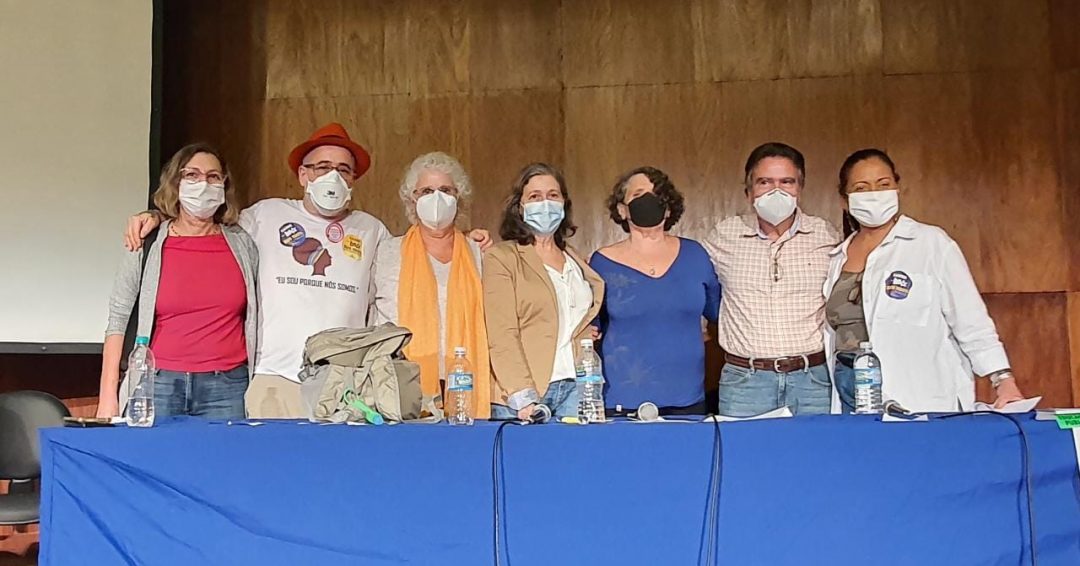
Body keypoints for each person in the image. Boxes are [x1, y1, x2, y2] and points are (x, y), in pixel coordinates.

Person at [123, 124, 492, 418]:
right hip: (274, 380)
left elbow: (418, 260)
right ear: (302, 175)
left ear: (353, 180)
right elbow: (205, 225)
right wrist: (156, 216)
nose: (333, 177)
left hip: (343, 386)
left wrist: (470, 240)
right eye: (322, 167)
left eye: (343, 170)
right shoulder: (263, 216)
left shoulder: (372, 230)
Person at [825, 148, 1025, 412]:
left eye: (883, 185)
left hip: (918, 391)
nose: (874, 194)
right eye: (861, 188)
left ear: (897, 188)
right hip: (850, 387)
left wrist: (1002, 379)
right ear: (844, 200)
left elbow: (970, 320)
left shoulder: (931, 244)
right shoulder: (836, 257)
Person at [97, 144, 259, 420]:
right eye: (192, 175)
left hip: (227, 387)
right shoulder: (147, 242)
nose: (203, 184)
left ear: (224, 185)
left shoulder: (243, 243)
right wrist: (107, 397)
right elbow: (118, 318)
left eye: (213, 177)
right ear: (176, 183)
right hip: (158, 383)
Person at [702, 142, 841, 416]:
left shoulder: (825, 235)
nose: (776, 191)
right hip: (746, 382)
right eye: (765, 182)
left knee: (818, 445)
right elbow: (690, 283)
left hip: (812, 380)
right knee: (742, 447)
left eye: (786, 182)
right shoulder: (724, 236)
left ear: (800, 189)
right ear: (749, 191)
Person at [590, 167, 721, 415]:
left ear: (668, 208)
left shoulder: (695, 255)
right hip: (623, 402)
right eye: (639, 194)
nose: (649, 201)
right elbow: (589, 328)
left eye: (656, 195)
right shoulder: (602, 263)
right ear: (622, 209)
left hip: (687, 400)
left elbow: (720, 312)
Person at [371, 152, 490, 418]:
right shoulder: (388, 252)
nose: (436, 198)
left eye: (446, 190)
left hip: (465, 382)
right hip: (402, 385)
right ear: (411, 199)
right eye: (426, 191)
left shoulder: (478, 252)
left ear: (459, 197)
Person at [484, 163, 604, 420]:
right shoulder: (502, 258)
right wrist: (522, 395)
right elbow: (501, 333)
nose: (545, 203)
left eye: (553, 195)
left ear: (564, 203)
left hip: (578, 388)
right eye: (535, 197)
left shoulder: (574, 259)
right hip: (526, 394)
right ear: (519, 206)